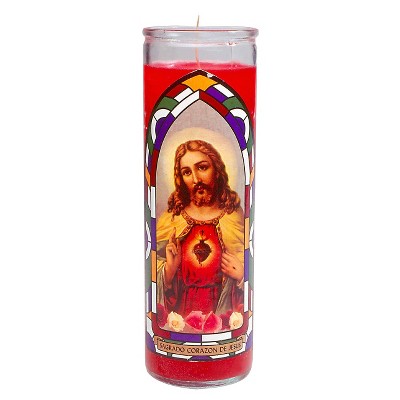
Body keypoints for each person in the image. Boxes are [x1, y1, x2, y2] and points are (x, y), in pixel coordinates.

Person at [156, 139, 244, 327]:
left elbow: (249, 266)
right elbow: (152, 275)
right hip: (181, 316)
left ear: (217, 169)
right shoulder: (171, 219)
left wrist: (241, 275)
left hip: (221, 313)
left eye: (202, 168)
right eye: (187, 172)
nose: (196, 180)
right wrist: (169, 270)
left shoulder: (234, 218)